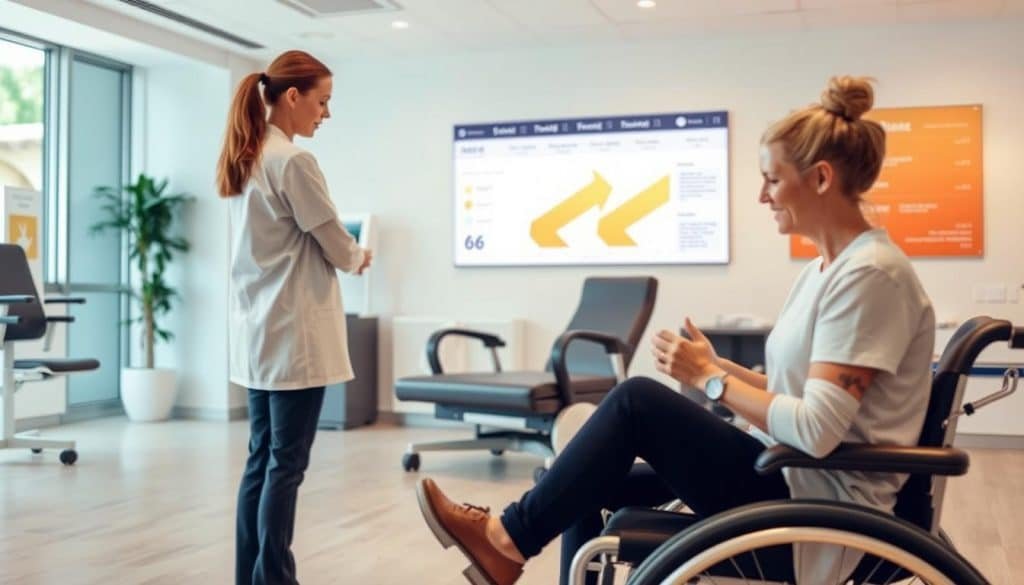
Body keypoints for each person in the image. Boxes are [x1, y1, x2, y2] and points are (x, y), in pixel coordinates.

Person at [414, 75, 936, 585]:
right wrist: (717, 367)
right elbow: (797, 395)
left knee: (636, 402)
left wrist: (712, 380)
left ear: (821, 179)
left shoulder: (870, 276)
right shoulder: (829, 268)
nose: (762, 196)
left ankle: (505, 541)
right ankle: (508, 543)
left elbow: (818, 430)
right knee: (579, 476)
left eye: (773, 180)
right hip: (788, 475)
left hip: (820, 509)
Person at [217, 50, 372, 585]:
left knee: (261, 460)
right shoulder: (292, 161)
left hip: (259, 333)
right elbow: (335, 242)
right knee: (285, 465)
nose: (325, 114)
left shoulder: (246, 156)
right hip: (293, 337)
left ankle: (252, 577)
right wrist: (358, 256)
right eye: (322, 101)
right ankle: (276, 579)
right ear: (292, 96)